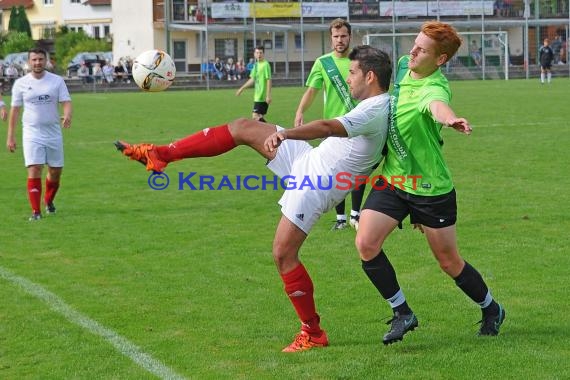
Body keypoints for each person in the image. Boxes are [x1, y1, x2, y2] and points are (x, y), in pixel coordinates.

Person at [114, 45, 392, 352]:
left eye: (352, 73)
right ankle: (160, 154)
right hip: (310, 160)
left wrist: (287, 134)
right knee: (243, 127)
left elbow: (327, 126)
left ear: (369, 76)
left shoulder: (375, 108)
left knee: (283, 255)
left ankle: (312, 332)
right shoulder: (379, 103)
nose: (348, 78)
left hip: (316, 183)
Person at [354, 21, 505, 345]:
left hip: (429, 189)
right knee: (366, 243)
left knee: (449, 262)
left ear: (439, 60)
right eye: (414, 43)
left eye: (421, 49)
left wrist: (449, 119)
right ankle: (402, 312)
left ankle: (492, 309)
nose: (412, 51)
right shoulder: (405, 68)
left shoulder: (434, 88)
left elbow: (436, 106)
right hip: (394, 179)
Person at [295, 18, 372, 232]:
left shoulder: (360, 60)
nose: (340, 40)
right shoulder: (323, 63)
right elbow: (312, 90)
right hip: (333, 126)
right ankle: (340, 218)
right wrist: (301, 111)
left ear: (350, 37)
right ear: (331, 38)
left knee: (358, 171)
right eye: (336, 36)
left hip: (358, 123)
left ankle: (355, 215)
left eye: (343, 36)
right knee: (335, 172)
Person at [6, 47, 72, 221]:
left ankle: (48, 201)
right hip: (31, 133)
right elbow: (15, 111)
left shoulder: (56, 81)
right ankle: (36, 212)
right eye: (34, 60)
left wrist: (67, 115)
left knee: (55, 171)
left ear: (46, 61)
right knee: (35, 169)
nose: (37, 62)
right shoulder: (20, 84)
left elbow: (66, 102)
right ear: (29, 62)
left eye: (40, 59)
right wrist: (11, 136)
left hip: (53, 133)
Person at [236, 46, 272, 121]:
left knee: (255, 116)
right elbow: (252, 80)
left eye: (261, 53)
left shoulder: (265, 65)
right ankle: (270, 131)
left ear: (263, 54)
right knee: (259, 118)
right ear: (254, 54)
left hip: (262, 96)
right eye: (257, 53)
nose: (259, 54)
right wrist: (241, 89)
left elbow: (269, 80)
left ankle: (273, 131)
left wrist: (268, 95)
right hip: (257, 95)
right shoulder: (256, 65)